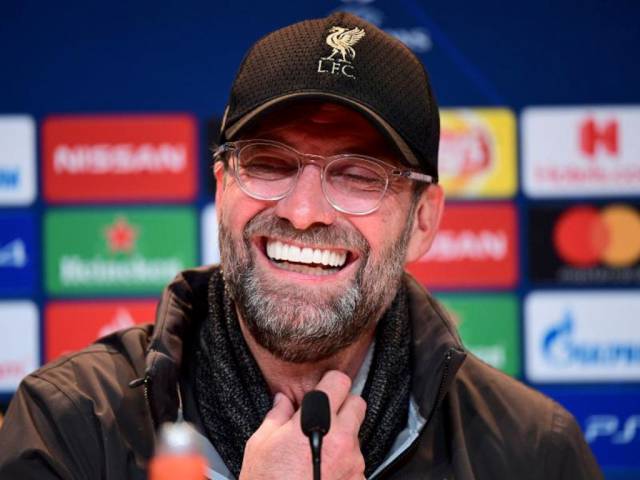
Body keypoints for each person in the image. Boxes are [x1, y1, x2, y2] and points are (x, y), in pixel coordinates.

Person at [0, 12, 601, 480]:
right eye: (269, 162)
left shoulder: (533, 451)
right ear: (222, 186)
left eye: (359, 175)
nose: (304, 212)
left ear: (423, 220)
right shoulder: (67, 426)